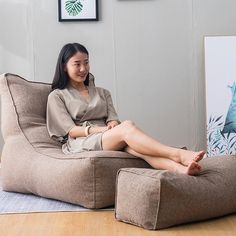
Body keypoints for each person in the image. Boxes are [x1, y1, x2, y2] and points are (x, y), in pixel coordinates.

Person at [46, 43, 205, 176]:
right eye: (77, 64)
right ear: (64, 67)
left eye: (86, 62)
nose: (83, 68)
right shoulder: (57, 96)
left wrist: (113, 124)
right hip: (81, 141)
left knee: (139, 149)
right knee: (127, 126)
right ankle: (177, 153)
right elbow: (71, 131)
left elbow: (112, 118)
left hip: (108, 135)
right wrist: (101, 130)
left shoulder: (102, 92)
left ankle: (182, 170)